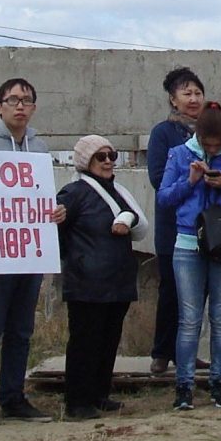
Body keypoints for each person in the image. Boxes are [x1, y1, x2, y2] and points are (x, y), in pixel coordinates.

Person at [0, 77, 65, 423]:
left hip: (30, 251)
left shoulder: (39, 150)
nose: (20, 106)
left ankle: (13, 397)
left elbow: (42, 194)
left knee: (21, 329)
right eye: (13, 100)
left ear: (34, 108)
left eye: (27, 100)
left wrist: (55, 211)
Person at [157, 101, 221, 412]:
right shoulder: (179, 154)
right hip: (188, 242)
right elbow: (164, 198)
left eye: (217, 145)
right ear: (198, 137)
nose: (212, 149)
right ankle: (184, 385)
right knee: (189, 319)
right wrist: (190, 181)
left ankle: (219, 382)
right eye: (206, 144)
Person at [56, 135, 150, 420]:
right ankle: (77, 401)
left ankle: (99, 393)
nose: (109, 161)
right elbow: (58, 235)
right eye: (101, 156)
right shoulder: (72, 193)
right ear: (86, 161)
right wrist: (77, 262)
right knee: (86, 341)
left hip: (117, 278)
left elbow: (136, 219)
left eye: (112, 155)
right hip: (87, 282)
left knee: (109, 339)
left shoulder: (118, 190)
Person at [147, 67, 207, 374]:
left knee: (199, 293)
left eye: (197, 93)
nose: (193, 99)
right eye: (187, 93)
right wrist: (194, 178)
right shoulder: (163, 133)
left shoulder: (213, 130)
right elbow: (158, 179)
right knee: (171, 289)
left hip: (208, 226)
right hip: (173, 225)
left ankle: (187, 352)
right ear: (173, 99)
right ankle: (161, 352)